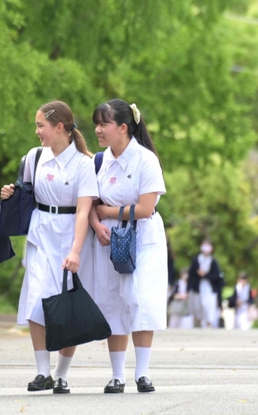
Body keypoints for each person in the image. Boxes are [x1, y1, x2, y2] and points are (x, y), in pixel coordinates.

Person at [0, 101, 97, 394]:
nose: (37, 131)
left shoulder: (83, 164)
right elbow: (26, 193)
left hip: (70, 234)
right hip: (40, 233)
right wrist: (11, 193)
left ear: (59, 128)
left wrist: (76, 250)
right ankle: (42, 371)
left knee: (67, 307)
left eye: (41, 125)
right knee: (36, 300)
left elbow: (83, 211)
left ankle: (61, 374)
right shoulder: (34, 157)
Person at [90, 99, 167, 393]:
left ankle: (143, 372)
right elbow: (92, 202)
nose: (98, 129)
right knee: (114, 301)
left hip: (143, 237)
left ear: (123, 128)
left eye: (103, 124)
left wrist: (109, 212)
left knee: (140, 298)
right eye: (96, 123)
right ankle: (118, 374)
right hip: (109, 239)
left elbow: (146, 208)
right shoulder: (100, 160)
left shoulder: (145, 160)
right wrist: (99, 223)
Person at [188, 239, 223, 328]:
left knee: (208, 305)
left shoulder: (213, 261)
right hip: (197, 287)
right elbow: (191, 274)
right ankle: (199, 322)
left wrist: (206, 275)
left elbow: (216, 276)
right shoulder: (196, 259)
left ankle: (209, 323)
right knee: (198, 305)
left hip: (209, 288)